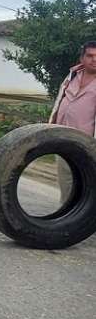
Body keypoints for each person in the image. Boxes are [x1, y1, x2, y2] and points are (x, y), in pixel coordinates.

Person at [49, 40, 96, 202]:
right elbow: (59, 101)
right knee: (66, 180)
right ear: (82, 58)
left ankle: (85, 221)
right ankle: (66, 216)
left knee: (88, 182)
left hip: (88, 143)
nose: (94, 60)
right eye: (90, 55)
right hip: (63, 137)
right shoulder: (72, 76)